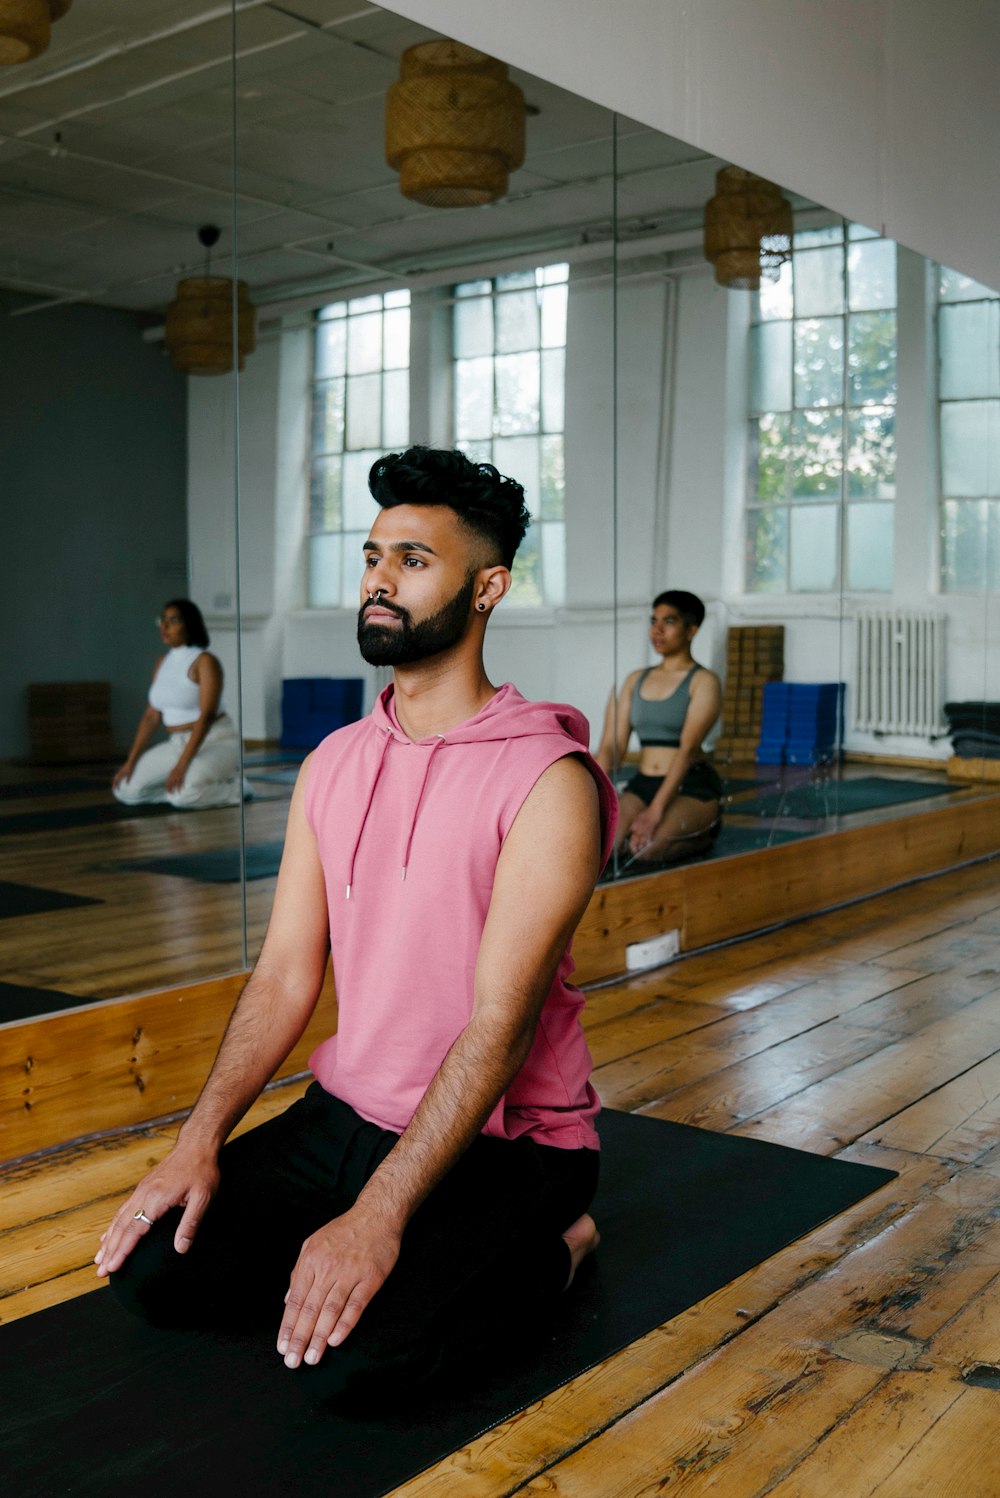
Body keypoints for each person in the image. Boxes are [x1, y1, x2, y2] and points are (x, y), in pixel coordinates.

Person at [96, 447, 617, 1401]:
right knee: (151, 1276)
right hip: (343, 1115)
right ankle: (337, 1252)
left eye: (414, 561)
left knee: (368, 1365)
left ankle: (562, 1249)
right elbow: (287, 974)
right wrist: (197, 1139)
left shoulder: (547, 780)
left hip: (507, 1143)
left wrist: (379, 1213)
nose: (380, 579)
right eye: (375, 556)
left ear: (488, 587)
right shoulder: (334, 760)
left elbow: (499, 1031)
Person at [596, 589, 722, 865]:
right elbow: (610, 746)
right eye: (654, 621)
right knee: (605, 848)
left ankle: (705, 834)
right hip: (644, 783)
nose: (657, 630)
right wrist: (593, 799)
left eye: (669, 622)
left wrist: (654, 812)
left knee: (645, 848)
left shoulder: (703, 681)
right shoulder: (634, 680)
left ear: (691, 630)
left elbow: (688, 750)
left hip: (690, 784)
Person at [112, 598, 242, 810]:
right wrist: (130, 761)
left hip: (216, 741)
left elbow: (206, 717)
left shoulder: (205, 661)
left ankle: (237, 788)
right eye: (162, 620)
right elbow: (152, 716)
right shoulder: (162, 662)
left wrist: (182, 766)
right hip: (177, 743)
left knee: (184, 793)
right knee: (125, 789)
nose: (164, 627)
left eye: (173, 621)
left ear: (189, 625)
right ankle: (183, 792)